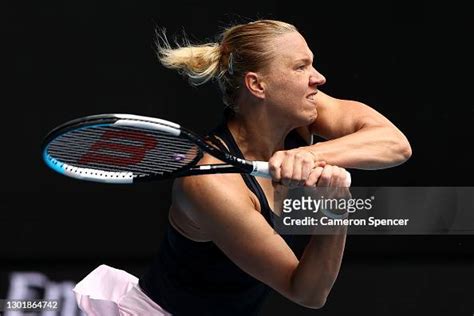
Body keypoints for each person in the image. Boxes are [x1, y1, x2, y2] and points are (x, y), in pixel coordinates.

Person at [73, 19, 411, 315]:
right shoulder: (212, 185)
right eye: (301, 67)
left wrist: (314, 155)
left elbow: (395, 144)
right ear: (257, 85)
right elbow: (307, 292)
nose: (318, 78)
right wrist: (334, 213)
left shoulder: (301, 114)